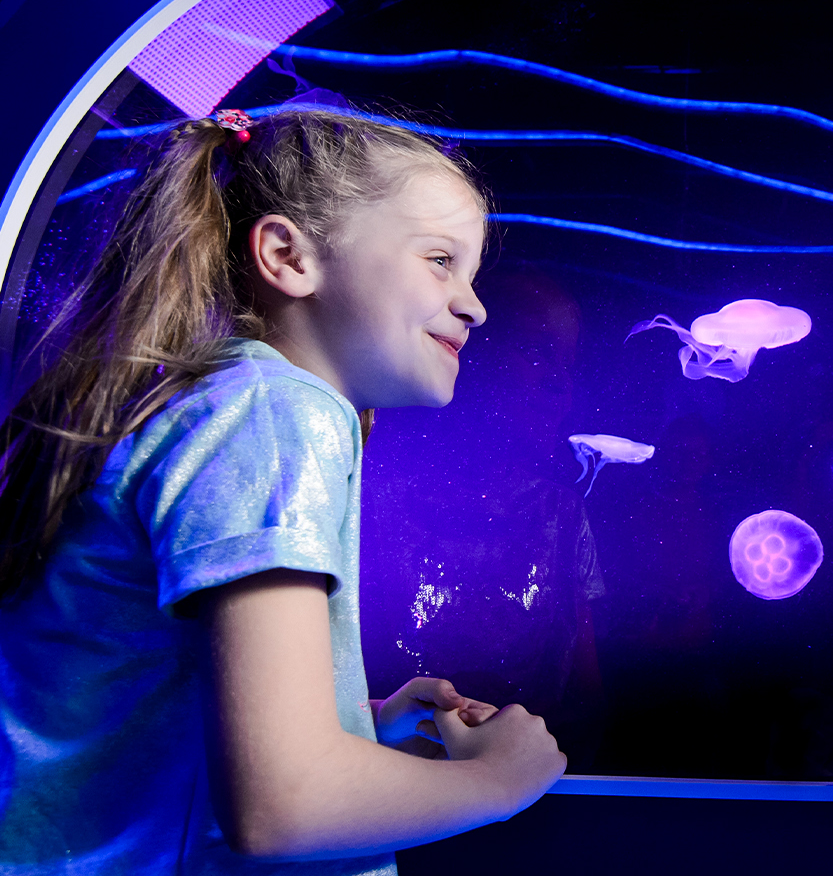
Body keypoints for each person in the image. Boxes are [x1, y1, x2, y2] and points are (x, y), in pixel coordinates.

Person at [0, 107, 567, 873]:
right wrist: (500, 780)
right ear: (287, 256)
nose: (474, 304)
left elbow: (150, 713)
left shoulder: (210, 400)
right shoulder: (276, 415)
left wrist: (356, 725)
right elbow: (281, 805)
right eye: (440, 260)